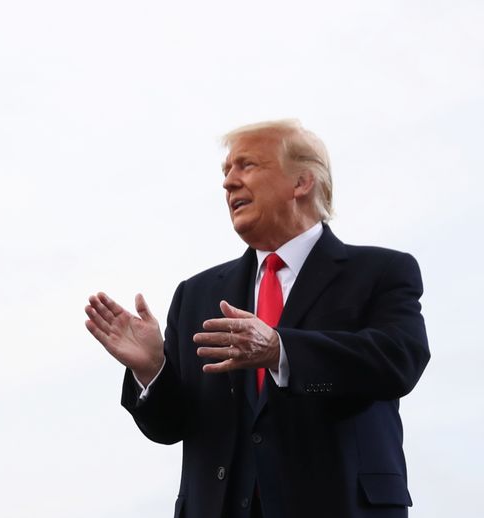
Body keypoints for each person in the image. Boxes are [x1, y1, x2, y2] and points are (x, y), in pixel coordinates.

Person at [84, 120, 430, 518]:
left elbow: (399, 361)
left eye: (246, 166)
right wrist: (153, 370)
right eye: (226, 172)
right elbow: (171, 426)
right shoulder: (196, 295)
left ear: (301, 181)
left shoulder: (380, 272)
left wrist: (281, 350)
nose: (228, 183)